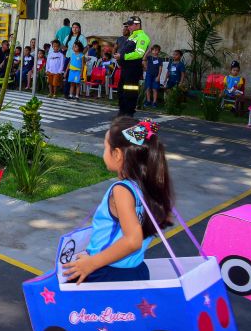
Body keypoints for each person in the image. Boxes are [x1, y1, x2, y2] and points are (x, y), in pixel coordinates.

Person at [62, 117, 173, 283]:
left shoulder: (122, 190)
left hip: (106, 274)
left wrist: (91, 263)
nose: (103, 152)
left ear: (117, 154)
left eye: (105, 147)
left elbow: (132, 241)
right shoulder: (149, 186)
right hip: (136, 271)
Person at [114, 16, 150, 117]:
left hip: (133, 69)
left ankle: (129, 113)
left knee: (130, 91)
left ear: (137, 25)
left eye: (130, 25)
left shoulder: (143, 37)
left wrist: (122, 56)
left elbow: (139, 53)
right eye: (127, 25)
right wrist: (119, 56)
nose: (128, 27)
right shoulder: (132, 36)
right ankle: (122, 111)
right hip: (125, 69)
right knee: (121, 90)